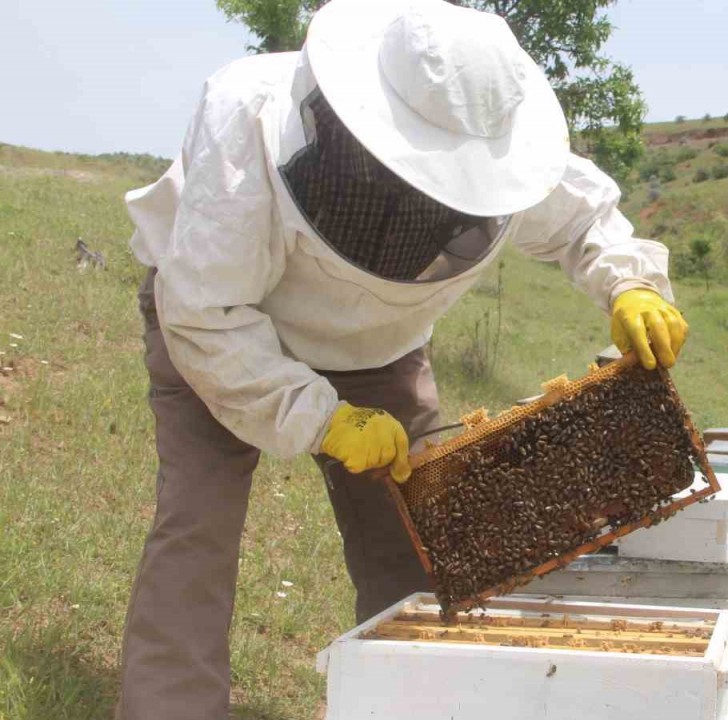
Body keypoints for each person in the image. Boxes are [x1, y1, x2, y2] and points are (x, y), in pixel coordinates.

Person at [116, 0, 688, 717]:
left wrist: (629, 282)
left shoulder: (492, 147)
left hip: (377, 352)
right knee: (198, 525)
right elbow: (206, 314)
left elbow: (582, 217)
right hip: (225, 326)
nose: (427, 203)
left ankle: (413, 702)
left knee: (415, 539)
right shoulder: (249, 117)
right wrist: (319, 419)